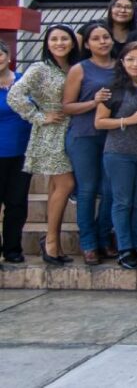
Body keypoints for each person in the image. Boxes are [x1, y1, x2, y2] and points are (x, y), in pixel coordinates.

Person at [8, 27, 78, 265]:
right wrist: (38, 116)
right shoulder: (40, 68)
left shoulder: (75, 67)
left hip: (74, 128)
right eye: (54, 39)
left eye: (64, 38)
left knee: (56, 186)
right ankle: (50, 241)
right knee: (66, 184)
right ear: (47, 43)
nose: (60, 43)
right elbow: (14, 95)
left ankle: (54, 242)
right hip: (51, 131)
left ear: (72, 42)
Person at [94, 42, 137, 269]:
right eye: (130, 59)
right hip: (118, 153)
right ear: (122, 62)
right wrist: (127, 121)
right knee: (123, 202)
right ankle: (124, 249)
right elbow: (99, 122)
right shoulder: (113, 89)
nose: (136, 64)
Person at [62, 22, 116, 265]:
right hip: (84, 135)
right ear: (87, 43)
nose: (103, 41)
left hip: (112, 136)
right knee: (87, 190)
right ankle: (88, 243)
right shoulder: (79, 69)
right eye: (96, 38)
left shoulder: (120, 67)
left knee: (110, 190)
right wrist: (93, 102)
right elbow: (67, 106)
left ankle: (104, 236)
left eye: (106, 37)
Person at [0, 40, 33, 263]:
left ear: (8, 55)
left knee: (17, 203)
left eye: (0, 54)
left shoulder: (24, 81)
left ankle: (12, 249)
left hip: (22, 152)